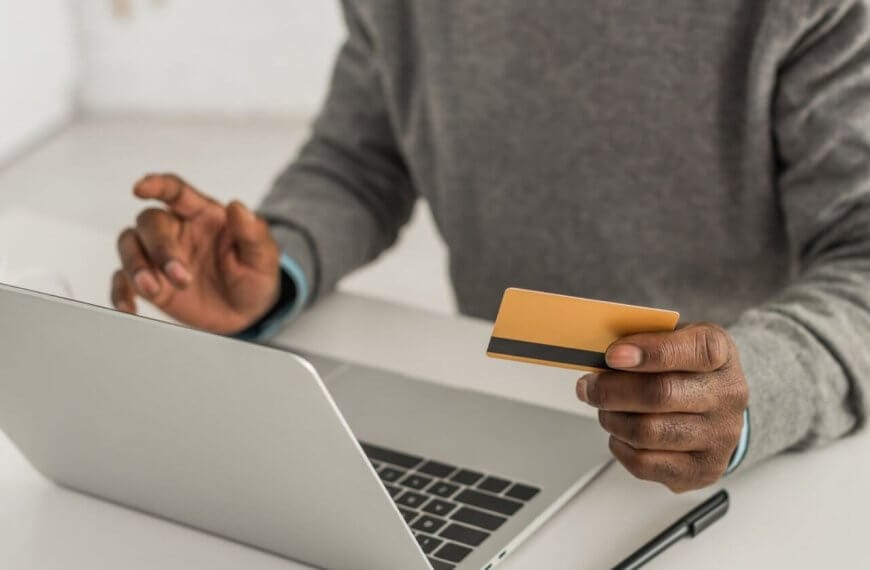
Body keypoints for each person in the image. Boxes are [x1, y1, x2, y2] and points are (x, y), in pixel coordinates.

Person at [110, 1, 870, 493]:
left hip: (742, 460)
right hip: (495, 415)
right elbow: (361, 156)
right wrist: (275, 267)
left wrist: (756, 391)